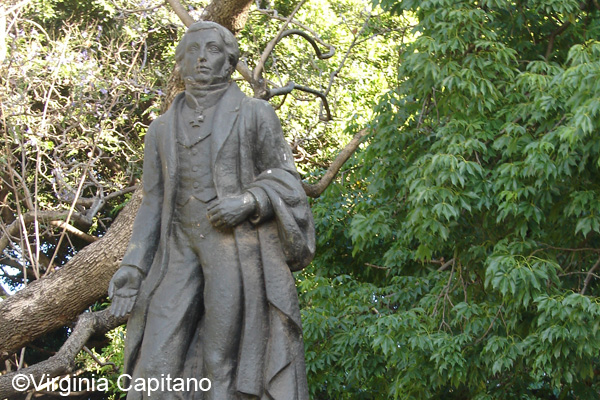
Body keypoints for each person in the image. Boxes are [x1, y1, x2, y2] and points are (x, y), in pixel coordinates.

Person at [108, 21, 315, 400]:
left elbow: (287, 180)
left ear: (229, 61)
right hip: (177, 250)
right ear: (180, 63)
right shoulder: (160, 129)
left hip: (233, 251)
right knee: (153, 362)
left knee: (222, 361)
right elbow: (153, 201)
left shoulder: (254, 113)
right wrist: (133, 265)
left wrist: (249, 201)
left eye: (213, 50)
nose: (202, 57)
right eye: (192, 50)